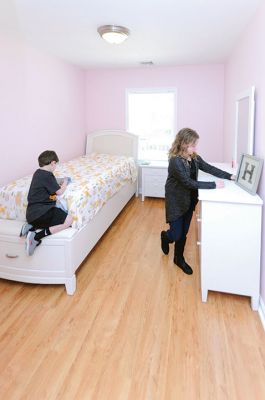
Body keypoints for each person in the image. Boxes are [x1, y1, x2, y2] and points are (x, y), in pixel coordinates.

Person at [161, 128, 236, 275]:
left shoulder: (194, 157)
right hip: (176, 200)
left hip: (189, 199)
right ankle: (166, 236)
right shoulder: (175, 161)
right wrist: (213, 185)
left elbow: (208, 168)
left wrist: (229, 176)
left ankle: (178, 258)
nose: (195, 148)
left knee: (184, 232)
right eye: (193, 145)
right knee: (176, 234)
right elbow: (188, 182)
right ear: (183, 144)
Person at [21, 150, 73, 256]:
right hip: (42, 214)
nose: (55, 167)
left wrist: (58, 181)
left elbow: (48, 184)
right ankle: (36, 237)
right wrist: (66, 182)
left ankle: (31, 226)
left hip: (31, 214)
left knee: (52, 214)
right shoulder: (48, 175)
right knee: (69, 220)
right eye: (56, 165)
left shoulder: (38, 173)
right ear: (53, 163)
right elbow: (59, 192)